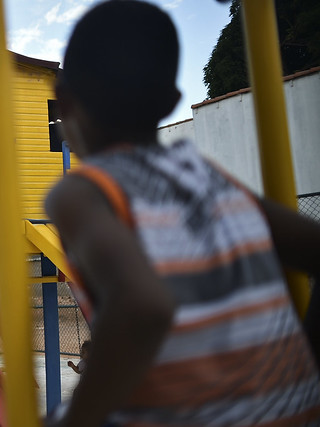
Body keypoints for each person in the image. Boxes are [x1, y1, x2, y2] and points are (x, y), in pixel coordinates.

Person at [45, 1, 320, 426]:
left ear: (63, 101)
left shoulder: (82, 192)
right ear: (172, 101)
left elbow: (142, 307)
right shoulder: (206, 176)